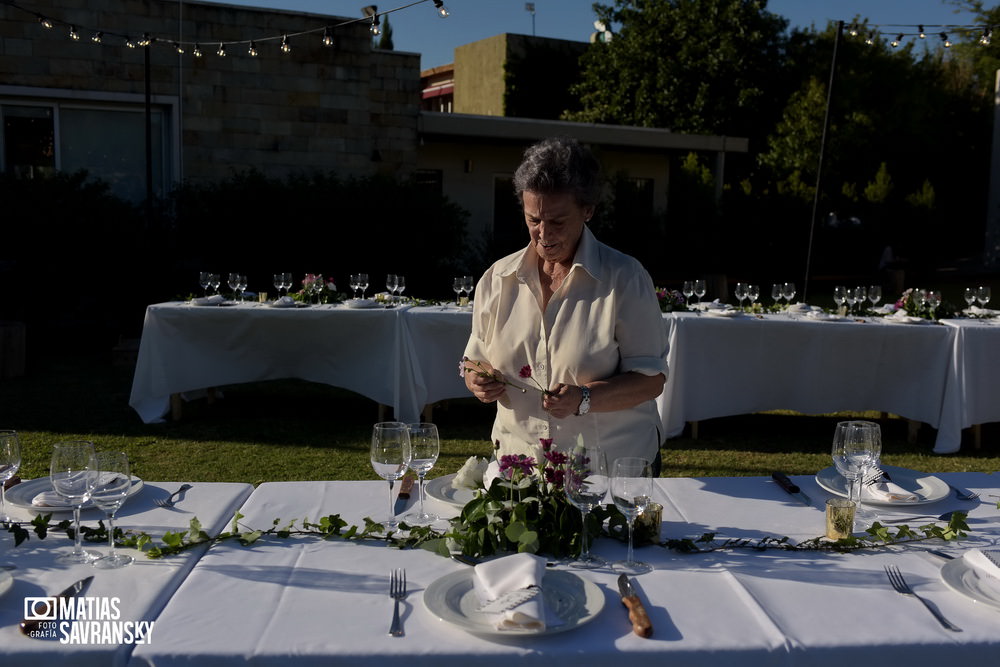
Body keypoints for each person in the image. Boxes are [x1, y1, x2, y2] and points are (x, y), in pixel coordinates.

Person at [462, 137, 668, 471]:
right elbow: (475, 359)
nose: (543, 233)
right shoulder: (497, 278)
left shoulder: (624, 278)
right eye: (533, 219)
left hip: (608, 469)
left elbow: (650, 381)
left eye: (557, 221)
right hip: (520, 470)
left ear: (588, 209)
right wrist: (478, 380)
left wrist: (584, 399)